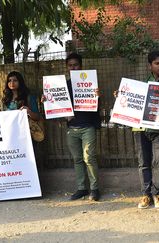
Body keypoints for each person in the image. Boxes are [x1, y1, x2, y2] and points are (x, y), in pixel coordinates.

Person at [130, 50, 159, 209]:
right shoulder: (142, 85)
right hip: (141, 129)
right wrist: (122, 97)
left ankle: (157, 194)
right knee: (143, 162)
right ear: (150, 65)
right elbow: (132, 105)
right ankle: (146, 195)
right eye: (157, 63)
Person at [63, 53, 101, 201]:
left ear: (81, 66)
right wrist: (47, 100)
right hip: (72, 128)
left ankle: (94, 189)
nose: (73, 67)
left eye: (76, 65)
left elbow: (97, 106)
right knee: (77, 159)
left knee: (89, 158)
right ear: (67, 68)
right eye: (70, 65)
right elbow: (58, 104)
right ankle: (81, 188)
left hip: (87, 126)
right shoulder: (64, 86)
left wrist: (97, 96)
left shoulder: (91, 83)